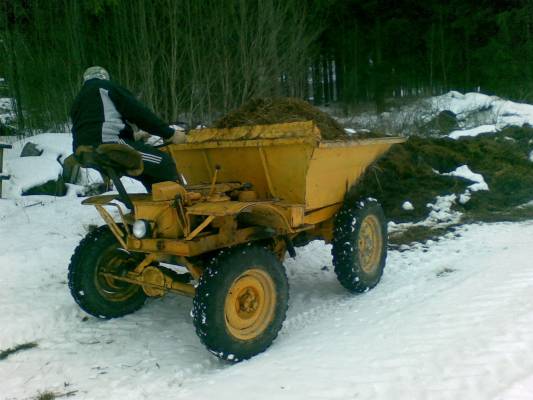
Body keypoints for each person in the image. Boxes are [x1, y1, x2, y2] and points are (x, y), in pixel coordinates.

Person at [70, 66, 186, 191]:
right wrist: (170, 133)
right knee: (164, 162)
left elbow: (92, 127)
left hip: (83, 152)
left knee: (145, 171)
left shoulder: (78, 99)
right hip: (108, 146)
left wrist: (135, 136)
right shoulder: (106, 87)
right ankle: (176, 204)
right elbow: (139, 113)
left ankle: (155, 203)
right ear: (105, 77)